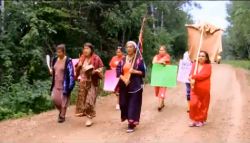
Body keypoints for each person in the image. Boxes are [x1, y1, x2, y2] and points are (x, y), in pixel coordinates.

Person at [116, 41, 146, 133]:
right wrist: (124, 79)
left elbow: (143, 72)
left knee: (133, 105)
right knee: (123, 104)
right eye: (127, 47)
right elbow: (118, 72)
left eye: (131, 47)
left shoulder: (139, 60)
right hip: (124, 85)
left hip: (135, 86)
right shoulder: (122, 60)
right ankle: (128, 117)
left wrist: (135, 72)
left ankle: (131, 123)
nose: (129, 48)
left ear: (134, 49)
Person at [75, 42, 104, 127]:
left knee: (90, 101)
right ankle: (85, 113)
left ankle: (89, 118)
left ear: (91, 50)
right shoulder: (82, 58)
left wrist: (96, 71)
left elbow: (101, 68)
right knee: (83, 100)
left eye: (87, 48)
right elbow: (76, 71)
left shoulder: (96, 58)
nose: (85, 50)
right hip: (83, 82)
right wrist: (79, 66)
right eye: (84, 48)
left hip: (93, 82)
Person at [50, 44, 75, 123]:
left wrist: (70, 84)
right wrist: (51, 71)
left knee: (63, 100)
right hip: (55, 83)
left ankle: (62, 115)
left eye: (60, 52)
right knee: (55, 100)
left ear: (64, 52)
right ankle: (61, 110)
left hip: (64, 83)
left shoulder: (68, 60)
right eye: (57, 52)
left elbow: (71, 72)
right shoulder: (54, 59)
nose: (58, 54)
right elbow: (53, 69)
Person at [188, 51, 212, 127]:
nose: (201, 57)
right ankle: (193, 119)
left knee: (203, 105)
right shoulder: (195, 65)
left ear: (206, 58)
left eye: (203, 56)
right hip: (194, 88)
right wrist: (190, 78)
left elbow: (204, 75)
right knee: (193, 104)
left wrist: (193, 77)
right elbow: (191, 74)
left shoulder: (208, 66)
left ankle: (200, 119)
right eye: (199, 56)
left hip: (204, 89)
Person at [152, 45, 171, 111]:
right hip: (157, 76)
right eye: (160, 50)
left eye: (162, 50)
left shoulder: (167, 56)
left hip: (165, 76)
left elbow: (163, 60)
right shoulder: (156, 56)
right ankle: (162, 103)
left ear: (165, 51)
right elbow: (153, 62)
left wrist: (159, 61)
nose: (161, 51)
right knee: (157, 91)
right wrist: (161, 62)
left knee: (162, 90)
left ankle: (159, 105)